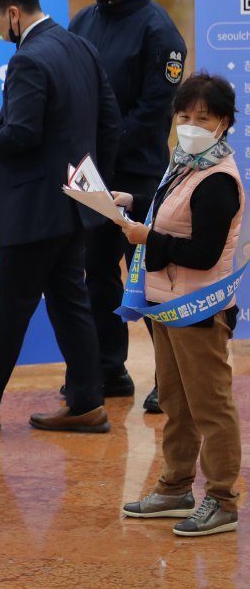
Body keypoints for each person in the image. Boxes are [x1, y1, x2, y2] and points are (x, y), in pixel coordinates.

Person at [0, 0, 122, 433]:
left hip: (35, 213)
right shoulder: (79, 45)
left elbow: (22, 135)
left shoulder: (28, 59)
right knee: (71, 305)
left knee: (7, 310)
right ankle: (87, 401)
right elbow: (110, 124)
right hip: (74, 204)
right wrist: (91, 185)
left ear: (12, 12)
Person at [70, 0, 187, 413]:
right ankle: (107, 368)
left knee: (153, 282)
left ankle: (170, 379)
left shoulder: (161, 34)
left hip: (137, 178)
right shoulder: (82, 22)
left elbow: (151, 114)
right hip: (93, 175)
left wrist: (104, 151)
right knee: (96, 271)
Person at [118, 74, 242, 537]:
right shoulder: (186, 161)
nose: (190, 124)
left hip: (199, 309)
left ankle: (223, 499)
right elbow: (168, 210)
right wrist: (131, 203)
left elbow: (203, 253)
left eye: (202, 118)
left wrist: (149, 239)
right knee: (175, 401)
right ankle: (175, 487)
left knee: (211, 407)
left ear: (223, 123)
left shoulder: (218, 179)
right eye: (184, 115)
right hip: (166, 304)